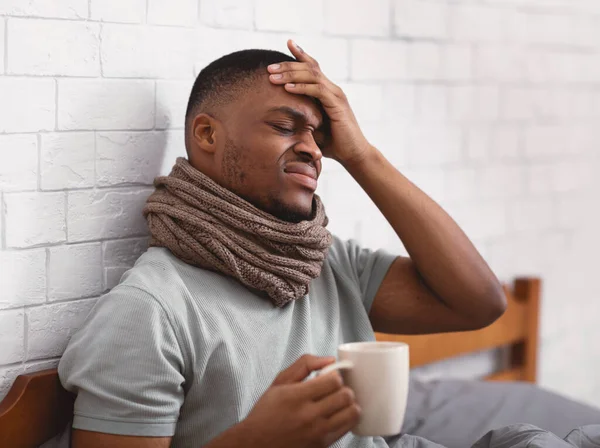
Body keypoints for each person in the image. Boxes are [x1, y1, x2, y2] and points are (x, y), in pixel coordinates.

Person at [58, 40, 506, 448]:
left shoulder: (325, 262)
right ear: (208, 135)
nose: (313, 150)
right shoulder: (149, 312)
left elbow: (480, 302)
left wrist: (360, 154)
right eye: (285, 126)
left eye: (319, 135)